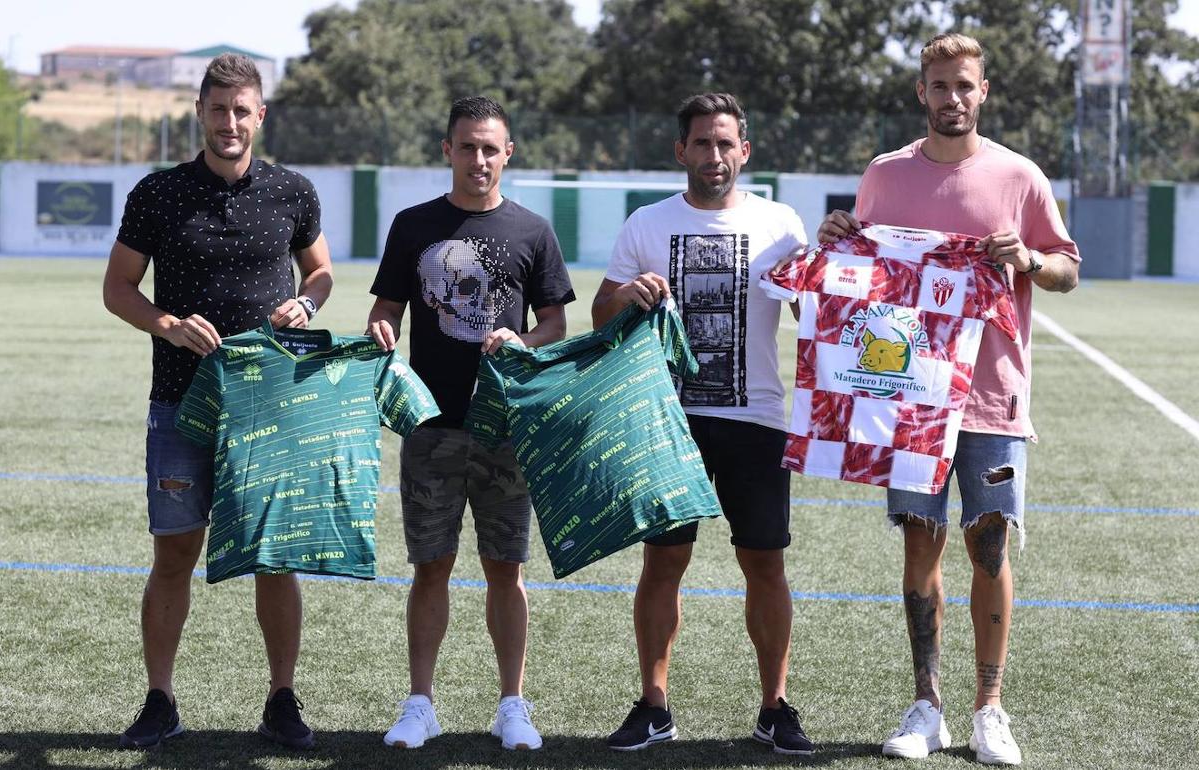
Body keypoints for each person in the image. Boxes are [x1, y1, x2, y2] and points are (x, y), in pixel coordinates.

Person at [819, 33, 1079, 766]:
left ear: (983, 91)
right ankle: (926, 704)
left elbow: (1065, 270)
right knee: (920, 542)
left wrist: (1028, 259)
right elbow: (863, 273)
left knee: (989, 544)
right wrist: (837, 237)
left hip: (993, 399)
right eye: (940, 86)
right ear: (921, 93)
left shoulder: (1019, 176)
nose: (953, 98)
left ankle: (989, 709)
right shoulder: (884, 175)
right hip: (906, 401)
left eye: (965, 86)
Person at [103, 53, 332, 751]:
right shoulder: (157, 193)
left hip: (268, 408)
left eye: (242, 110)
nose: (229, 122)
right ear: (199, 113)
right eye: (218, 109)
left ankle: (282, 699)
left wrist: (305, 300)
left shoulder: (293, 192)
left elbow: (321, 272)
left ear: (260, 116)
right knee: (175, 553)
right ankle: (160, 700)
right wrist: (167, 324)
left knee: (274, 557)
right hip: (180, 405)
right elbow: (118, 289)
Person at [590, 93, 814, 756]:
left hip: (758, 419)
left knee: (764, 562)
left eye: (726, 144)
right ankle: (654, 705)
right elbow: (603, 313)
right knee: (663, 563)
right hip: (668, 417)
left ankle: (775, 707)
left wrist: (833, 264)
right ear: (679, 151)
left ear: (745, 150)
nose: (714, 156)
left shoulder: (781, 224)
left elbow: (816, 316)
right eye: (701, 144)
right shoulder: (647, 224)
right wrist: (627, 295)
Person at [367, 95, 575, 751]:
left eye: (491, 148)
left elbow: (555, 324)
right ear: (447, 151)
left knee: (505, 569)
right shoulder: (412, 224)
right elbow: (386, 312)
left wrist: (524, 340)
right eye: (467, 147)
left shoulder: (533, 231)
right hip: (429, 426)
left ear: (507, 153)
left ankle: (512, 704)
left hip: (503, 428)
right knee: (431, 567)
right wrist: (380, 331)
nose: (479, 159)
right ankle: (420, 704)